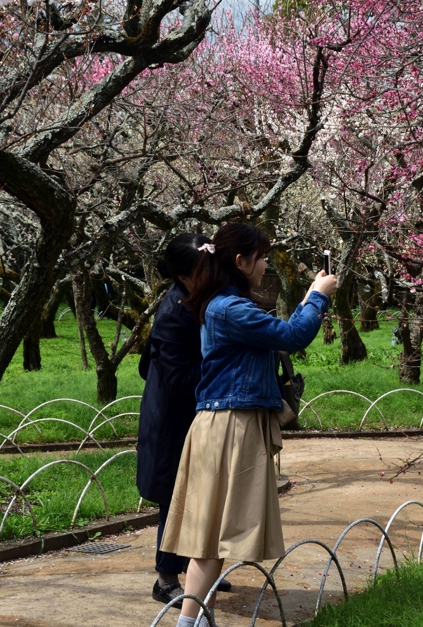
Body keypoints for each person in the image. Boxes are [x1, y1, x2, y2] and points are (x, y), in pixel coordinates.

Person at [160, 223, 338, 627]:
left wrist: (312, 296)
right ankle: (189, 622)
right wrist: (318, 297)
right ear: (240, 261)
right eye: (261, 259)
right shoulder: (230, 308)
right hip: (229, 428)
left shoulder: (226, 304)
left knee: (212, 537)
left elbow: (282, 333)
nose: (265, 267)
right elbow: (292, 337)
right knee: (210, 538)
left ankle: (193, 620)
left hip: (227, 424)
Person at [136, 233, 232, 607]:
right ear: (184, 276)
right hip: (172, 420)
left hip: (194, 414)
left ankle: (198, 570)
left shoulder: (199, 299)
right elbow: (178, 379)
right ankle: (166, 579)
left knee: (202, 495)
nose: (213, 276)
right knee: (174, 500)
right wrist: (224, 367)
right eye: (204, 271)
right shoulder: (175, 314)